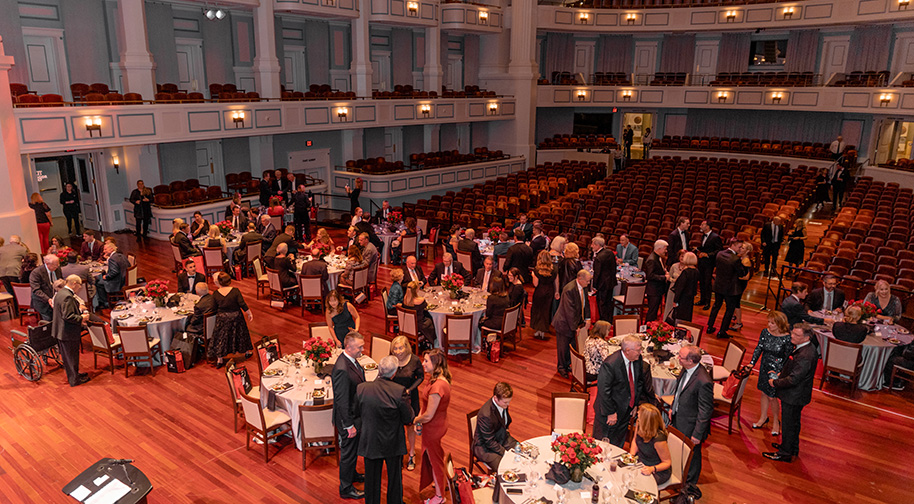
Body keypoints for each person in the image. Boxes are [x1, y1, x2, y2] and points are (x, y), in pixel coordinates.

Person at [354, 355, 413, 504]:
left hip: (370, 440)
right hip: (392, 442)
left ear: (379, 370)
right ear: (394, 374)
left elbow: (356, 412)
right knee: (394, 478)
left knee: (371, 479)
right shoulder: (399, 391)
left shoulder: (362, 388)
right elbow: (408, 418)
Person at [763, 324, 818, 463]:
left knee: (788, 424)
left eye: (796, 335)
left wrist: (774, 382)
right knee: (793, 423)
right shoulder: (806, 348)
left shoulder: (805, 355)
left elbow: (794, 379)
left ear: (807, 337)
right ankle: (791, 447)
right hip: (797, 394)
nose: (792, 336)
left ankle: (785, 453)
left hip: (794, 396)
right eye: (792, 333)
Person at [669, 344, 713, 498]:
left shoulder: (703, 381)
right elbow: (680, 390)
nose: (678, 359)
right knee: (680, 451)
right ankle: (680, 478)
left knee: (692, 456)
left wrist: (697, 434)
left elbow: (705, 410)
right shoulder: (687, 369)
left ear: (691, 361)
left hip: (691, 424)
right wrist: (673, 408)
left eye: (681, 357)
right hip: (679, 417)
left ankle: (689, 486)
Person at [595, 334, 656, 444]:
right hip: (610, 411)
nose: (641, 352)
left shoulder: (637, 359)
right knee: (605, 443)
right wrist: (611, 412)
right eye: (638, 350)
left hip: (626, 409)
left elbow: (639, 382)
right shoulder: (611, 364)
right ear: (628, 350)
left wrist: (634, 403)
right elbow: (604, 391)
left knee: (619, 440)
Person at [414, 349, 452, 504]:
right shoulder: (436, 379)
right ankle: (441, 483)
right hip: (436, 424)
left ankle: (439, 496)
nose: (423, 363)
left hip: (434, 427)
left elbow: (429, 415)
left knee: (434, 460)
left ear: (436, 364)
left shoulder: (437, 387)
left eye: (426, 361)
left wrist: (417, 420)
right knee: (434, 457)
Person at [747, 311, 793, 437]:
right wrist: (752, 363)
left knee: (772, 397)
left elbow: (787, 357)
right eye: (768, 322)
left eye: (772, 323)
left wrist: (780, 373)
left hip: (777, 370)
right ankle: (763, 417)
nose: (769, 325)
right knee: (763, 392)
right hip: (764, 367)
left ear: (779, 324)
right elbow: (759, 348)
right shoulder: (765, 332)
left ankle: (776, 422)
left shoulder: (787, 338)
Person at [332, 332, 367, 499]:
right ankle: (345, 488)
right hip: (349, 419)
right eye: (360, 347)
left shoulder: (350, 361)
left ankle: (352, 475)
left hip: (354, 416)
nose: (362, 349)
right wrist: (348, 425)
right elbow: (342, 401)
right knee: (348, 453)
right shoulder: (342, 369)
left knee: (352, 452)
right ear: (348, 347)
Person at [390, 336, 424, 471]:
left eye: (400, 348)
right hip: (394, 398)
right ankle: (398, 453)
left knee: (410, 427)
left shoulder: (414, 360)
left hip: (410, 398)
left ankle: (411, 454)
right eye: (395, 348)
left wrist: (410, 389)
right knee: (396, 427)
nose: (397, 351)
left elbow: (421, 377)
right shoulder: (391, 359)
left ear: (406, 347)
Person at [208, 272, 254, 368]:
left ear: (219, 282)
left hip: (223, 318)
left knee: (221, 337)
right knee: (241, 334)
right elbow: (242, 304)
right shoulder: (235, 291)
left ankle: (220, 359)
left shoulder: (216, 293)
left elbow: (213, 307)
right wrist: (249, 313)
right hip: (236, 317)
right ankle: (247, 351)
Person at [552, 270, 593, 378]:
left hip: (573, 322)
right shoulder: (569, 290)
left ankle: (567, 364)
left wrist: (588, 318)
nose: (589, 283)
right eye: (587, 281)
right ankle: (561, 367)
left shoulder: (583, 287)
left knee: (572, 346)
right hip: (564, 323)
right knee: (563, 348)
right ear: (580, 279)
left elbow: (586, 303)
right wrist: (575, 327)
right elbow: (569, 311)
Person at [53, 275, 90, 387]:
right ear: (74, 283)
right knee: (71, 356)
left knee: (68, 356)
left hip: (61, 330)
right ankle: (74, 380)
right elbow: (68, 316)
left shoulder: (61, 293)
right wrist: (82, 318)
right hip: (67, 332)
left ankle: (75, 375)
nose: (79, 288)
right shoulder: (68, 297)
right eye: (79, 285)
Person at [473, 382, 518, 472]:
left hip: (501, 437)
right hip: (485, 447)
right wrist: (505, 452)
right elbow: (489, 441)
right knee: (505, 469)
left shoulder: (503, 404)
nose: (508, 404)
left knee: (522, 452)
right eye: (506, 402)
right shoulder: (486, 415)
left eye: (509, 401)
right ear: (496, 398)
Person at [707, 239, 745, 339]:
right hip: (730, 288)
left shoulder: (719, 254)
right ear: (733, 245)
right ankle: (722, 331)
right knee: (729, 310)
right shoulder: (735, 259)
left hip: (719, 285)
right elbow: (742, 273)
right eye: (739, 247)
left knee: (716, 306)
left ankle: (709, 327)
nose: (740, 249)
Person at [629, 403, 670, 485]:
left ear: (646, 420)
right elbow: (635, 440)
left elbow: (667, 462)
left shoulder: (659, 439)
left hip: (656, 470)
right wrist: (631, 456)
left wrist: (652, 469)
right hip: (641, 462)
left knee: (636, 483)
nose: (637, 414)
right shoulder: (639, 423)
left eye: (639, 414)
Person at [695, 221, 722, 309]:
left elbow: (718, 250)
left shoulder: (715, 237)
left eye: (702, 225)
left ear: (708, 226)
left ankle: (707, 302)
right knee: (702, 281)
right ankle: (702, 300)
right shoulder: (703, 236)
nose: (700, 226)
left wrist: (708, 255)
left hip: (709, 263)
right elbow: (705, 247)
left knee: (707, 282)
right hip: (702, 262)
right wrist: (697, 249)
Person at [531, 251, 556, 340]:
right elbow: (556, 282)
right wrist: (557, 292)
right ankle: (544, 330)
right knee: (546, 311)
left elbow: (535, 284)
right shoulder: (554, 269)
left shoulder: (536, 270)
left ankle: (538, 330)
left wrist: (533, 275)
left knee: (538, 310)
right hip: (549, 291)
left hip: (539, 291)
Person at [643, 240, 670, 322]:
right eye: (665, 249)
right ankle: (646, 329)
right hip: (653, 290)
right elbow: (650, 275)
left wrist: (664, 271)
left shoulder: (657, 257)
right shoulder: (652, 259)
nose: (666, 251)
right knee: (652, 312)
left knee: (654, 312)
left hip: (657, 289)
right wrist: (664, 277)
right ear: (659, 248)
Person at [591, 237, 617, 322]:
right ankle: (609, 320)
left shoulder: (598, 257)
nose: (591, 246)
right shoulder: (610, 252)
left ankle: (603, 321)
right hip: (611, 282)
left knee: (602, 304)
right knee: (609, 303)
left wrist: (594, 285)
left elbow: (597, 273)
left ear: (597, 245)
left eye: (593, 244)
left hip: (602, 284)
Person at [403, 281, 437, 345]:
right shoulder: (420, 300)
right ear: (416, 289)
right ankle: (432, 341)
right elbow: (426, 308)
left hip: (407, 323)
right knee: (431, 321)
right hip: (419, 324)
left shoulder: (405, 299)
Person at [0, 236, 28, 313]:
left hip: (2, 273)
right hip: (14, 271)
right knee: (18, 291)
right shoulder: (22, 249)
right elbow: (27, 260)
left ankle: (15, 310)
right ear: (19, 242)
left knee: (10, 291)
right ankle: (21, 309)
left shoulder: (1, 249)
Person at [29, 254, 60, 321]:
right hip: (42, 301)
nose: (57, 266)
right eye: (55, 265)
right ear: (47, 264)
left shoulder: (57, 269)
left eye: (58, 264)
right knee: (49, 320)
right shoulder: (36, 273)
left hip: (55, 299)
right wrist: (48, 299)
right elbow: (36, 290)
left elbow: (60, 283)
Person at [98, 242, 129, 308]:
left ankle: (105, 302)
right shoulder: (122, 256)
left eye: (105, 249)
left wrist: (106, 276)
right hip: (126, 279)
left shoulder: (112, 259)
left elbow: (114, 272)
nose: (104, 251)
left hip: (118, 282)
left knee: (99, 283)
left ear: (111, 249)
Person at [672, 251, 700, 322]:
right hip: (690, 298)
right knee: (687, 317)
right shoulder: (696, 271)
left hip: (683, 298)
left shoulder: (686, 272)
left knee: (680, 318)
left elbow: (680, 287)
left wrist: (675, 300)